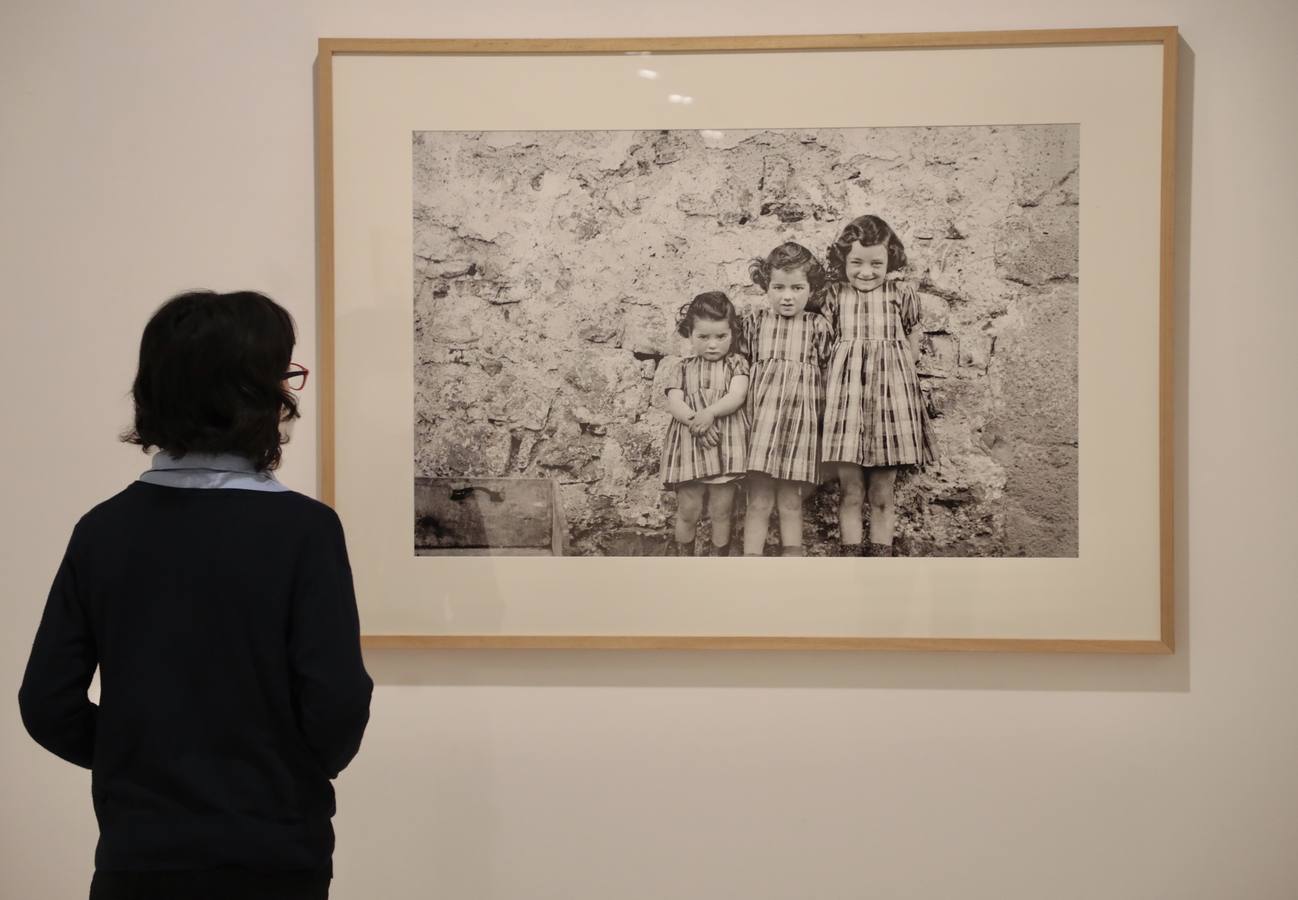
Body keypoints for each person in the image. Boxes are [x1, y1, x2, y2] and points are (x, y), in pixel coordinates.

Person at [18, 290, 373, 900]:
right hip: (275, 851)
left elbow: (47, 703)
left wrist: (141, 757)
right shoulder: (305, 531)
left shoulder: (103, 529)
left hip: (140, 855)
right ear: (258, 395)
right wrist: (280, 770)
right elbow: (336, 702)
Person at [821, 216, 937, 556]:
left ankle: (881, 559)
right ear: (843, 261)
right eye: (856, 262)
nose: (866, 272)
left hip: (890, 402)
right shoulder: (835, 295)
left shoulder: (900, 293)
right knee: (851, 490)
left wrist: (900, 368)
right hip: (847, 402)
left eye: (877, 263)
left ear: (891, 261)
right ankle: (851, 556)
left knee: (883, 493)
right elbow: (825, 344)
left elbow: (913, 334)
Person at [740, 241, 834, 557]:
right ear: (766, 286)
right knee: (759, 500)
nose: (787, 296)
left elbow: (825, 376)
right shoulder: (756, 322)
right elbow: (742, 369)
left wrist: (822, 426)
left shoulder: (817, 326)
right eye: (778, 287)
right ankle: (749, 565)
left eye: (797, 287)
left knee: (792, 501)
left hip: (800, 428)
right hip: (762, 428)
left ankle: (792, 567)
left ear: (812, 288)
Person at [659, 291, 750, 556]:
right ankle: (684, 561)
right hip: (690, 443)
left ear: (732, 333)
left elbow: (737, 395)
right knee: (689, 509)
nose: (713, 345)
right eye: (703, 337)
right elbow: (675, 402)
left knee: (722, 511)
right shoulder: (682, 368)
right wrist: (694, 422)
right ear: (689, 334)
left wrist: (709, 414)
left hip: (724, 445)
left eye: (721, 336)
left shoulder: (737, 364)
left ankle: (717, 565)